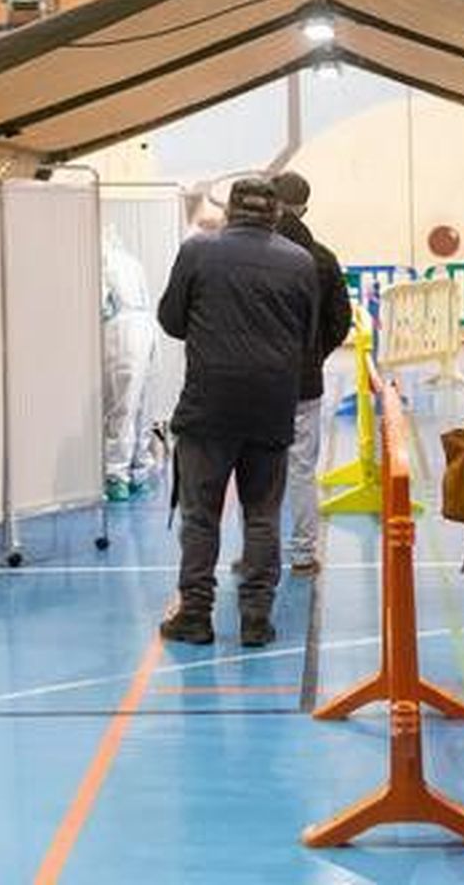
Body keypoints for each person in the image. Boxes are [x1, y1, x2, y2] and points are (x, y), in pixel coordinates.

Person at [157, 178, 317, 648]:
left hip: (208, 406)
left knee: (200, 517)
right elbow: (307, 338)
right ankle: (255, 618)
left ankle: (196, 615)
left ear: (230, 212)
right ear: (276, 215)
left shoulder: (197, 252)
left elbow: (171, 320)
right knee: (263, 516)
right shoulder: (300, 262)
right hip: (271, 406)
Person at [269, 171, 352, 575]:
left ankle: (260, 552)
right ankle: (302, 554)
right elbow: (341, 320)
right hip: (304, 380)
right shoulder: (323, 258)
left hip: (259, 380)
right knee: (302, 469)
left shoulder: (255, 256)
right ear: (304, 207)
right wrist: (314, 355)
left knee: (259, 468)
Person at [101, 226, 160, 502]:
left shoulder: (101, 259)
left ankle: (117, 474)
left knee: (121, 406)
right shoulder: (131, 262)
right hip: (146, 328)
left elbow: (102, 305)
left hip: (121, 331)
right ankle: (139, 468)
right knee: (140, 405)